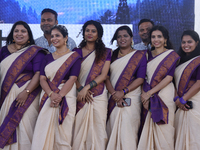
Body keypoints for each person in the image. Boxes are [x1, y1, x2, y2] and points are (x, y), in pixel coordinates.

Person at [31, 25, 81, 150]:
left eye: (57, 35)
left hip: (67, 95)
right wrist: (51, 94)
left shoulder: (74, 57)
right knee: (43, 129)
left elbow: (73, 78)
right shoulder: (47, 57)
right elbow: (42, 78)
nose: (54, 38)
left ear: (66, 38)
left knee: (64, 131)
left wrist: (59, 96)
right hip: (48, 95)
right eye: (52, 36)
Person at [0, 21, 47, 150]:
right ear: (12, 33)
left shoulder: (35, 51)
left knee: (26, 128)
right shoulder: (3, 51)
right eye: (16, 31)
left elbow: (39, 74)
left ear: (28, 35)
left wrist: (26, 92)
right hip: (6, 95)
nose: (19, 34)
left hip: (28, 96)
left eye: (23, 31)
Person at [138, 25, 180, 150]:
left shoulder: (171, 55)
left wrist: (149, 93)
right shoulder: (145, 55)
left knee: (164, 129)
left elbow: (168, 78)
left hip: (164, 95)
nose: (156, 40)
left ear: (165, 39)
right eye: (153, 37)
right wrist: (143, 96)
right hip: (146, 94)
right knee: (147, 128)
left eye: (159, 37)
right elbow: (142, 78)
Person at [72, 20, 111, 150]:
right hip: (78, 94)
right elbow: (72, 75)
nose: (90, 33)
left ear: (98, 35)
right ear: (83, 33)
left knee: (98, 129)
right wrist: (80, 89)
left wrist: (86, 88)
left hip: (98, 95)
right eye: (87, 30)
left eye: (93, 31)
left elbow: (104, 75)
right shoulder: (75, 52)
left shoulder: (106, 52)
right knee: (78, 128)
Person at [106, 25, 147, 150]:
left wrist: (123, 92)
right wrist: (115, 94)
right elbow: (106, 77)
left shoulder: (139, 55)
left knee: (128, 131)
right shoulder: (111, 55)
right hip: (113, 97)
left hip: (131, 97)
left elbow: (140, 78)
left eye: (125, 36)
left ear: (131, 38)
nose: (122, 39)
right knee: (112, 129)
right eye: (119, 36)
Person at [174, 30, 200, 150]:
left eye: (189, 42)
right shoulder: (178, 60)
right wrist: (177, 100)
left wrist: (183, 99)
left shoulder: (198, 60)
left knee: (194, 139)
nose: (186, 45)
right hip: (179, 105)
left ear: (197, 43)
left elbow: (199, 83)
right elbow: (172, 82)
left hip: (194, 104)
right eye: (183, 42)